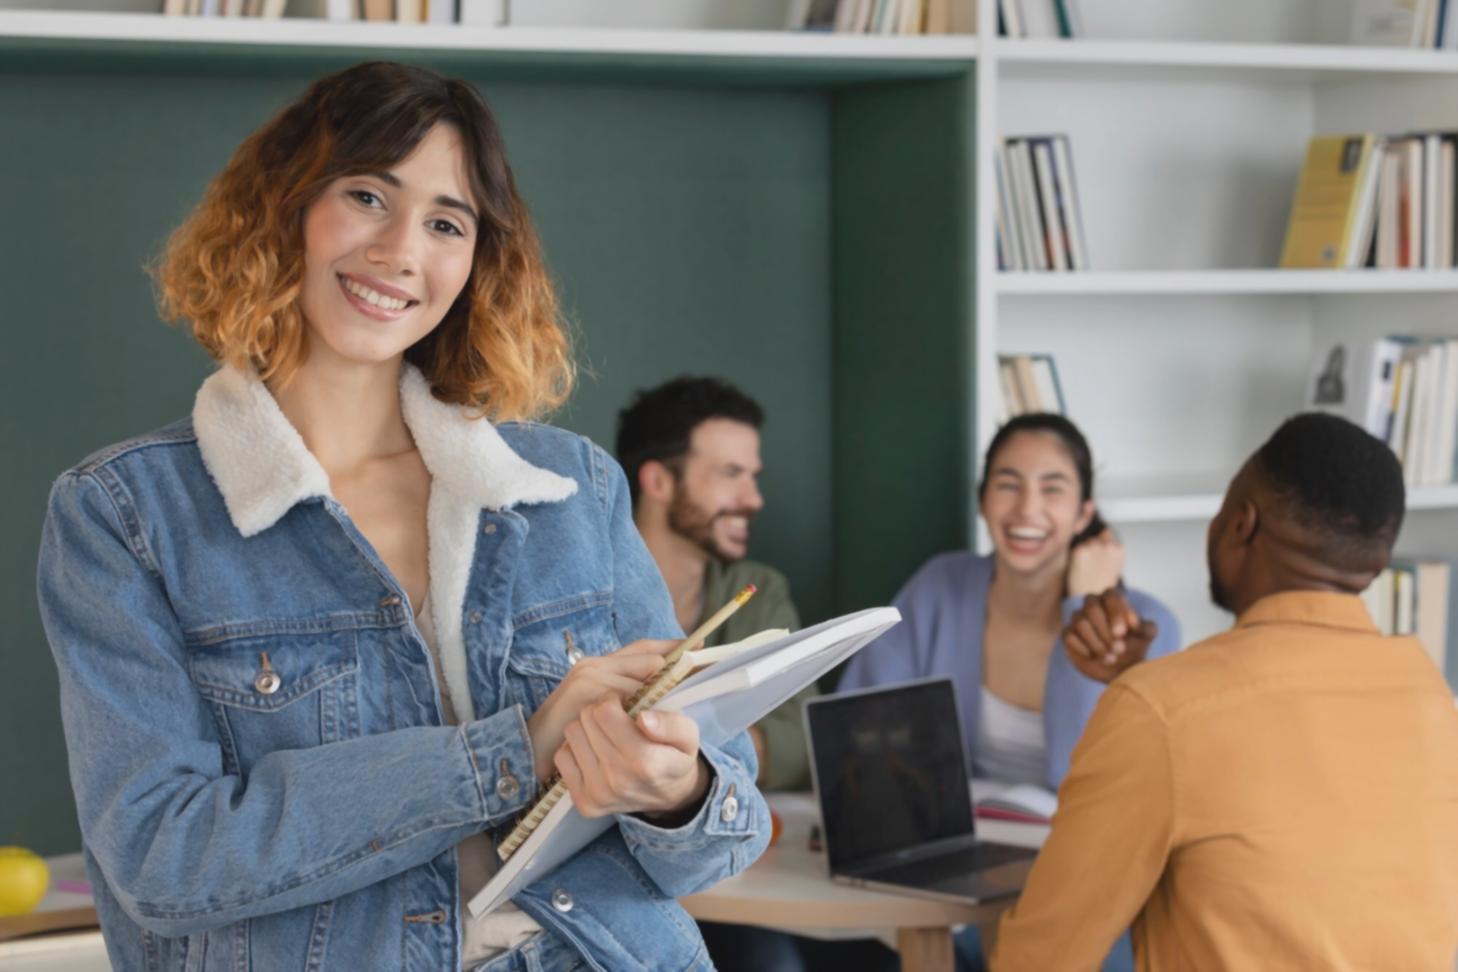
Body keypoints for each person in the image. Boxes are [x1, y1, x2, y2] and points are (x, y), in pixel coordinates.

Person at [36, 62, 769, 972]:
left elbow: (729, 833)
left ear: (476, 262)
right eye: (368, 196)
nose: (401, 253)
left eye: (446, 223)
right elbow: (163, 855)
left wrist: (675, 787)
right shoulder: (126, 516)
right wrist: (510, 754)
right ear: (286, 204)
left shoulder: (570, 488)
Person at [992, 413, 1458, 970]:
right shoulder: (1429, 696)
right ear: (1376, 565)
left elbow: (1042, 958)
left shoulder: (1164, 713)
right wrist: (1142, 687)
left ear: (1240, 523)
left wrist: (1145, 699)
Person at [836, 412, 1180, 971]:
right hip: (957, 867)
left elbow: (1081, 776)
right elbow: (862, 737)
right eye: (1007, 484)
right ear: (982, 501)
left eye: (1053, 488)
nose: (1026, 509)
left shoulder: (1147, 626)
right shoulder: (939, 588)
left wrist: (1083, 610)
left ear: (1084, 516)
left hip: (1087, 881)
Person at [616, 376, 815, 791]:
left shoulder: (759, 591)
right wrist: (739, 746)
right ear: (659, 483)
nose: (753, 499)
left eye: (753, 476)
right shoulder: (585, 592)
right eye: (731, 474)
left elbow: (802, 738)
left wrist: (680, 755)